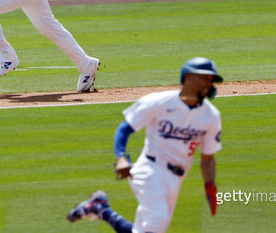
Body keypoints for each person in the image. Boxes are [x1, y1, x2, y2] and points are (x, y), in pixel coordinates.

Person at [67, 56, 223, 233]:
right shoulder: (160, 102)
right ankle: (101, 209)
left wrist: (210, 185)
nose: (208, 83)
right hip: (150, 170)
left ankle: (100, 208)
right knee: (157, 222)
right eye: (204, 78)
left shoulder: (211, 116)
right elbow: (125, 129)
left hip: (176, 179)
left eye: (211, 80)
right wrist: (121, 158)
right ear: (187, 77)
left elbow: (207, 157)